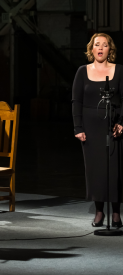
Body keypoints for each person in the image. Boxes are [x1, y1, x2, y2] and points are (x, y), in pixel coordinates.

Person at [72, 33, 123, 228]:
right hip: (90, 130)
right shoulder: (82, 71)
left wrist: (122, 123)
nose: (100, 48)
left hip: (113, 127)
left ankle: (116, 213)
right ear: (91, 49)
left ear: (110, 49)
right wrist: (78, 127)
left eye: (104, 45)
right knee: (96, 171)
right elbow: (76, 101)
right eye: (97, 45)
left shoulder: (119, 71)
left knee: (114, 170)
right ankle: (99, 211)